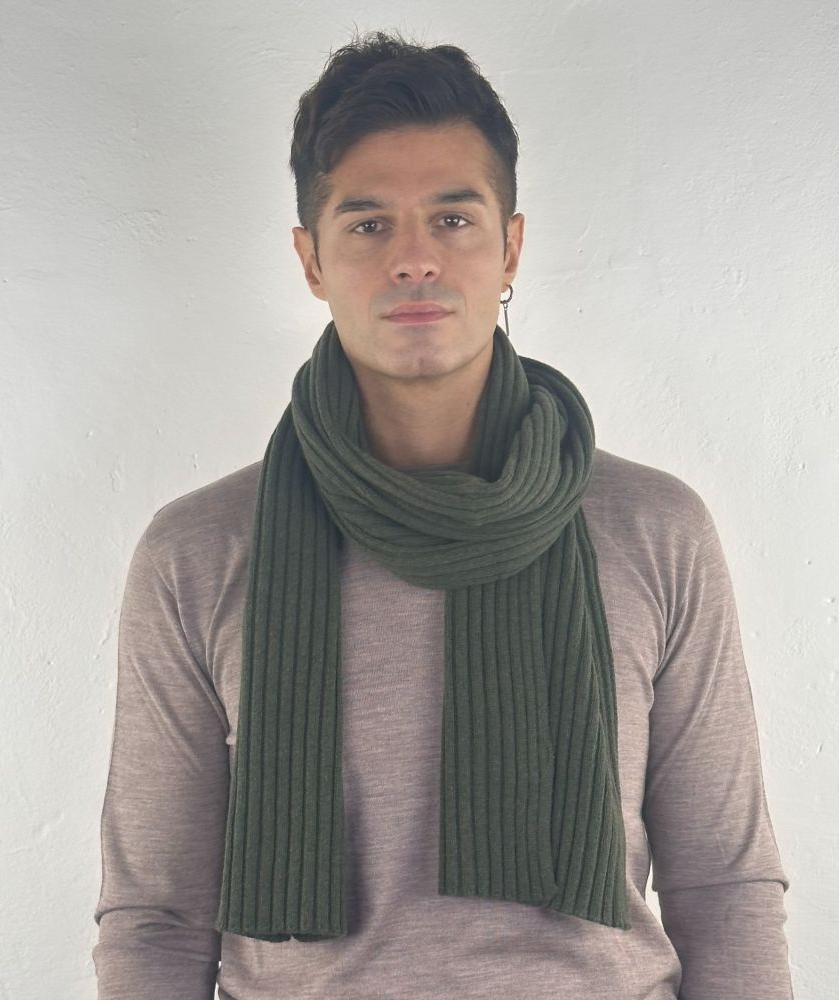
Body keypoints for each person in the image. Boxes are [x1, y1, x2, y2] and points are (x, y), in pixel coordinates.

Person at [92, 29, 793, 1000]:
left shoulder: (654, 532)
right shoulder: (200, 553)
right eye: (368, 224)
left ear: (511, 247)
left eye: (453, 220)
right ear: (310, 259)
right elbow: (157, 920)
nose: (414, 260)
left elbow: (725, 888)